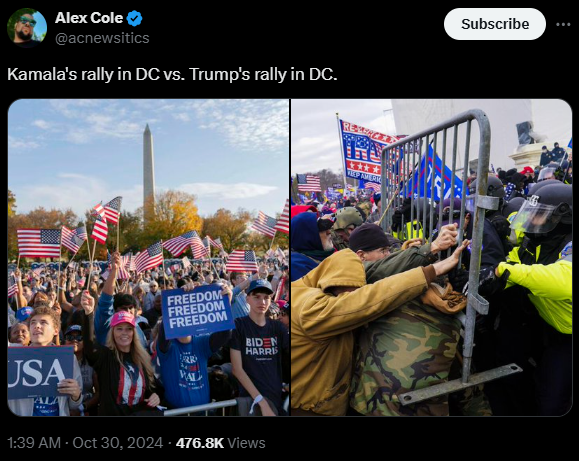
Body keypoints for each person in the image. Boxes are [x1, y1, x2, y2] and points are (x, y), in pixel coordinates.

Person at [290, 236, 469, 416]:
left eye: (356, 291)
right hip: (308, 407)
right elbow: (369, 299)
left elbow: (379, 269)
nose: (350, 297)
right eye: (346, 292)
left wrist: (425, 250)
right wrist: (431, 271)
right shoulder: (310, 308)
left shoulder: (314, 283)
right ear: (329, 282)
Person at [348, 223, 479, 416]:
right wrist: (430, 249)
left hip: (369, 402)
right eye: (383, 251)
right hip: (389, 402)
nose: (387, 255)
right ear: (361, 255)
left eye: (389, 251)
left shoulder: (393, 288)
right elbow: (382, 269)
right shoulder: (358, 276)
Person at [492, 182, 572, 416]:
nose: (533, 220)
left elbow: (566, 281)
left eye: (540, 215)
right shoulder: (532, 242)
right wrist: (490, 280)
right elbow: (513, 265)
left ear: (564, 218)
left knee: (553, 402)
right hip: (550, 330)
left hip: (568, 338)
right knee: (541, 390)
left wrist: (507, 272)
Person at [80, 291, 163, 416]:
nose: (124, 333)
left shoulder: (142, 359)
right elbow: (89, 347)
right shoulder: (106, 356)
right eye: (119, 328)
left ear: (134, 333)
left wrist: (156, 396)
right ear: (112, 332)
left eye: (129, 329)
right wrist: (89, 313)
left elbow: (155, 389)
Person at [156, 282, 233, 409]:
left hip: (203, 411)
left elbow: (225, 334)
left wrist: (226, 304)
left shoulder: (201, 342)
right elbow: (165, 328)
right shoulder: (168, 347)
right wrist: (179, 298)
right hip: (176, 412)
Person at [8, 306, 83, 416]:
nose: (37, 326)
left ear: (56, 330)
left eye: (43, 322)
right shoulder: (13, 354)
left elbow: (74, 405)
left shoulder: (68, 358)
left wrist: (76, 395)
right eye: (33, 323)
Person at [230, 279, 289, 416]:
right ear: (247, 299)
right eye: (257, 297)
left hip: (276, 400)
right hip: (251, 402)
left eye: (266, 297)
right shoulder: (238, 326)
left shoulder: (278, 328)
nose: (262, 302)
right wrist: (261, 401)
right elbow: (237, 369)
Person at [94, 252, 147, 347]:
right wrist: (114, 270)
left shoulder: (138, 327)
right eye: (124, 308)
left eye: (131, 308)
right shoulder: (107, 326)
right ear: (114, 310)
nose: (128, 311)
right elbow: (105, 302)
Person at [64, 324, 100, 416]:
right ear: (64, 341)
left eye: (79, 337)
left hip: (87, 410)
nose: (74, 340)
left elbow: (99, 393)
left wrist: (82, 408)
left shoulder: (92, 362)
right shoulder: (57, 361)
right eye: (70, 337)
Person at [290, 212, 335, 282]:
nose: (329, 232)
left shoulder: (324, 258)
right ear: (306, 235)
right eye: (322, 228)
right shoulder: (297, 266)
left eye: (328, 228)